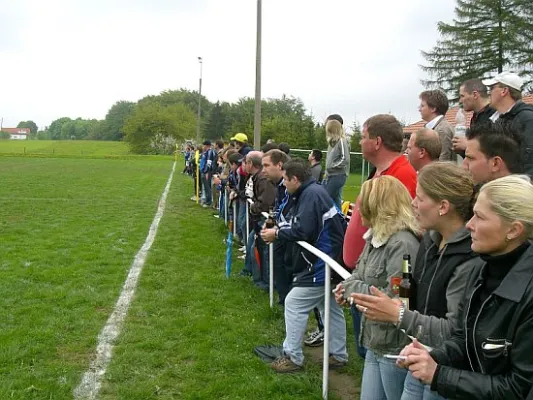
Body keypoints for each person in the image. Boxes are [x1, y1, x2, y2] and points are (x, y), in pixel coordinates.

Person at [352, 162, 482, 400]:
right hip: (418, 357)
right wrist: (396, 299)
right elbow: (408, 287)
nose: (412, 203)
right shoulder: (430, 241)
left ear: (443, 206)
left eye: (420, 198)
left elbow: (455, 332)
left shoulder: (469, 258)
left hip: (444, 372)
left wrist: (398, 314)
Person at [398, 175, 533, 400]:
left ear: (513, 230)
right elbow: (464, 337)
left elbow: (519, 388)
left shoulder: (527, 293)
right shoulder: (482, 269)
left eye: (479, 217)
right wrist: (434, 356)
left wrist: (439, 375)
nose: (469, 224)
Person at [334, 176, 421, 400]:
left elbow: (397, 299)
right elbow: (357, 276)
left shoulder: (402, 243)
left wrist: (351, 290)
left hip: (394, 348)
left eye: (364, 202)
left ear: (379, 206)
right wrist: (347, 289)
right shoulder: (376, 236)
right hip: (374, 340)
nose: (358, 206)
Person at [260, 159, 348, 373]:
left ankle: (293, 357)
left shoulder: (311, 195)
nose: (284, 185)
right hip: (331, 258)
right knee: (329, 307)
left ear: (295, 179)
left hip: (322, 261)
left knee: (294, 303)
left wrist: (277, 233)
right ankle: (338, 354)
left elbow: (303, 230)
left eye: (286, 181)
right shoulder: (309, 192)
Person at [343, 114, 417, 360]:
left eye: (363, 137)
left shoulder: (402, 175)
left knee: (376, 356)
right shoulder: (380, 172)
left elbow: (397, 236)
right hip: (364, 273)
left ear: (377, 141)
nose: (360, 143)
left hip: (378, 285)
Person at [482, 71, 533, 176]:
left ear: (504, 91)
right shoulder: (494, 120)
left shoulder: (527, 119)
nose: (489, 93)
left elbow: (529, 162)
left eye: (492, 88)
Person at [261, 149, 291, 304]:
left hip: (289, 236)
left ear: (279, 165)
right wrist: (271, 221)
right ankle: (283, 300)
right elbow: (279, 207)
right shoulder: (278, 184)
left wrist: (276, 229)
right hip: (282, 232)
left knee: (284, 267)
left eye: (266, 165)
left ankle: (286, 301)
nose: (263, 170)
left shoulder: (289, 184)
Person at [245, 151, 276, 290]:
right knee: (254, 246)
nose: (264, 170)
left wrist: (253, 207)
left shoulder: (262, 179)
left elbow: (266, 201)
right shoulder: (259, 177)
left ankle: (264, 282)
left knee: (262, 250)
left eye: (266, 165)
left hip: (265, 219)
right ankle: (256, 276)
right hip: (261, 218)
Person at [452, 79, 496, 156]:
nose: (460, 100)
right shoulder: (476, 116)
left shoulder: (494, 116)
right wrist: (461, 149)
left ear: (475, 95)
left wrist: (468, 145)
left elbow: (495, 149)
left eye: (462, 96)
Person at [419, 90, 455, 162]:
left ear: (433, 108)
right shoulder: (430, 128)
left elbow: (443, 161)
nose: (419, 109)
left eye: (422, 106)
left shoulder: (442, 130)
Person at [324, 116, 350, 207]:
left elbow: (345, 159)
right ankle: (339, 219)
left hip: (338, 175)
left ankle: (332, 218)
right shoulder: (332, 142)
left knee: (325, 198)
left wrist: (332, 166)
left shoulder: (342, 141)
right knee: (335, 199)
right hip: (330, 175)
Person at [200, 140, 217, 207]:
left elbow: (209, 163)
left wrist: (207, 172)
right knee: (206, 187)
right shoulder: (206, 152)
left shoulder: (210, 152)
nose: (203, 147)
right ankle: (207, 200)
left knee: (207, 187)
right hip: (204, 171)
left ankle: (208, 202)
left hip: (207, 172)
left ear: (207, 145)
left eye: (203, 145)